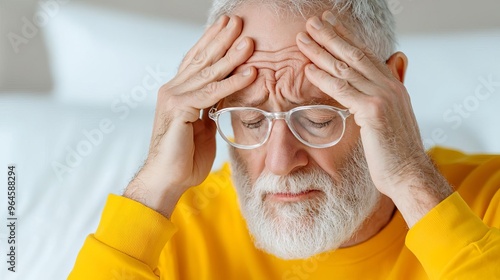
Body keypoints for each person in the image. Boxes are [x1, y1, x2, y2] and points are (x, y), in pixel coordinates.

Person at [69, 0, 500, 279]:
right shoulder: (167, 236)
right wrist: (151, 190)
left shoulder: (487, 205)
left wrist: (411, 181)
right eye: (250, 120)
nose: (279, 161)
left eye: (316, 117)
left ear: (392, 91)